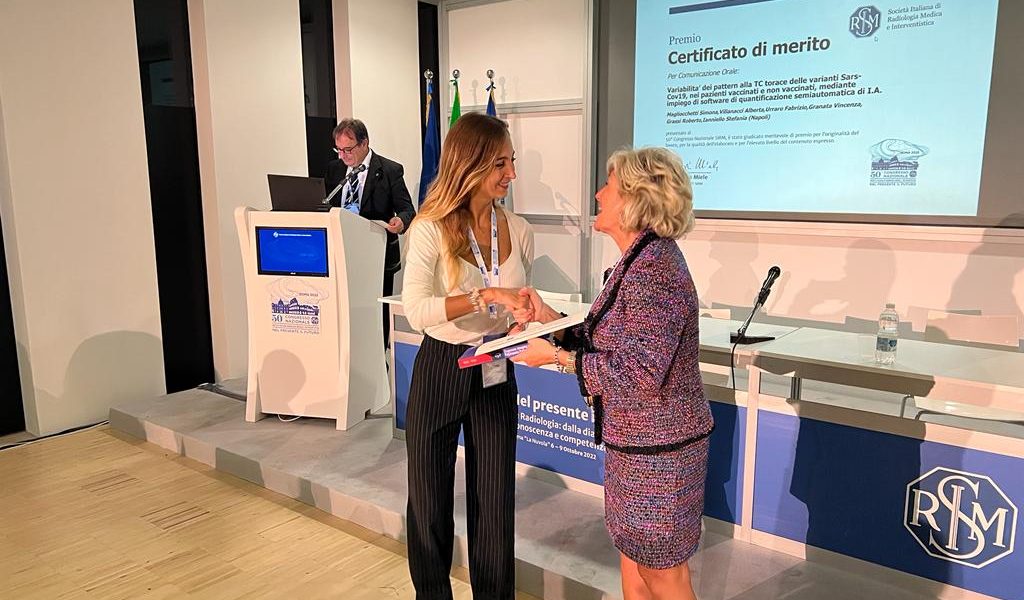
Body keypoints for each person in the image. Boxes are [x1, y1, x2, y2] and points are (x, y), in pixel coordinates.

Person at [511, 147, 713, 600]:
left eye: (610, 186)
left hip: (660, 453)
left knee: (661, 573)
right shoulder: (637, 261)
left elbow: (641, 371)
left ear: (636, 200)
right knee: (635, 564)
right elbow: (609, 340)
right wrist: (549, 320)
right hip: (636, 445)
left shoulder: (655, 270)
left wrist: (557, 358)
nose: (599, 194)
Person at [401, 112, 534, 600]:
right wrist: (485, 296)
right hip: (442, 364)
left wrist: (525, 315)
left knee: (494, 502)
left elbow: (518, 300)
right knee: (429, 500)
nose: (511, 174)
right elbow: (416, 310)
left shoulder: (519, 229)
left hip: (496, 366)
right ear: (470, 163)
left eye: (512, 162)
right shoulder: (429, 228)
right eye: (501, 163)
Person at [325, 118, 416, 347]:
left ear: (364, 143)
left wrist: (400, 221)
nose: (343, 156)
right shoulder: (334, 170)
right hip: (341, 253)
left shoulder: (389, 170)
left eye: (348, 149)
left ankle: (378, 356)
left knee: (376, 315)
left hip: (377, 254)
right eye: (339, 150)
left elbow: (407, 210)